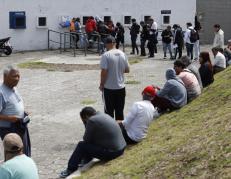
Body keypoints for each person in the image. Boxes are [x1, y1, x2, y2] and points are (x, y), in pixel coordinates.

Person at [60, 107, 126, 178]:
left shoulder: (92, 120)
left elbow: (86, 139)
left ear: (86, 116)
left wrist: (86, 124)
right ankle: (86, 160)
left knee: (81, 145)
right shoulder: (103, 115)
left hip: (113, 153)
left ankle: (70, 169)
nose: (85, 122)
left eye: (84, 120)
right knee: (91, 142)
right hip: (121, 148)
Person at [0, 66, 31, 157]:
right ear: (5, 77)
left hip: (19, 125)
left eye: (18, 76)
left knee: (24, 151)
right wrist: (10, 118)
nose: (17, 79)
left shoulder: (13, 87)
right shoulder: (1, 92)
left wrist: (23, 112)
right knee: (15, 154)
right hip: (9, 129)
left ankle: (25, 168)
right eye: (14, 76)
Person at [99, 36, 130, 121]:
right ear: (115, 43)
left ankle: (110, 131)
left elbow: (104, 72)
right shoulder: (123, 54)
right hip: (121, 87)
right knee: (119, 111)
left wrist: (101, 84)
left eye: (106, 44)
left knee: (109, 112)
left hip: (109, 88)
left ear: (108, 44)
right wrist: (118, 70)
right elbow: (127, 70)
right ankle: (120, 131)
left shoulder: (106, 55)